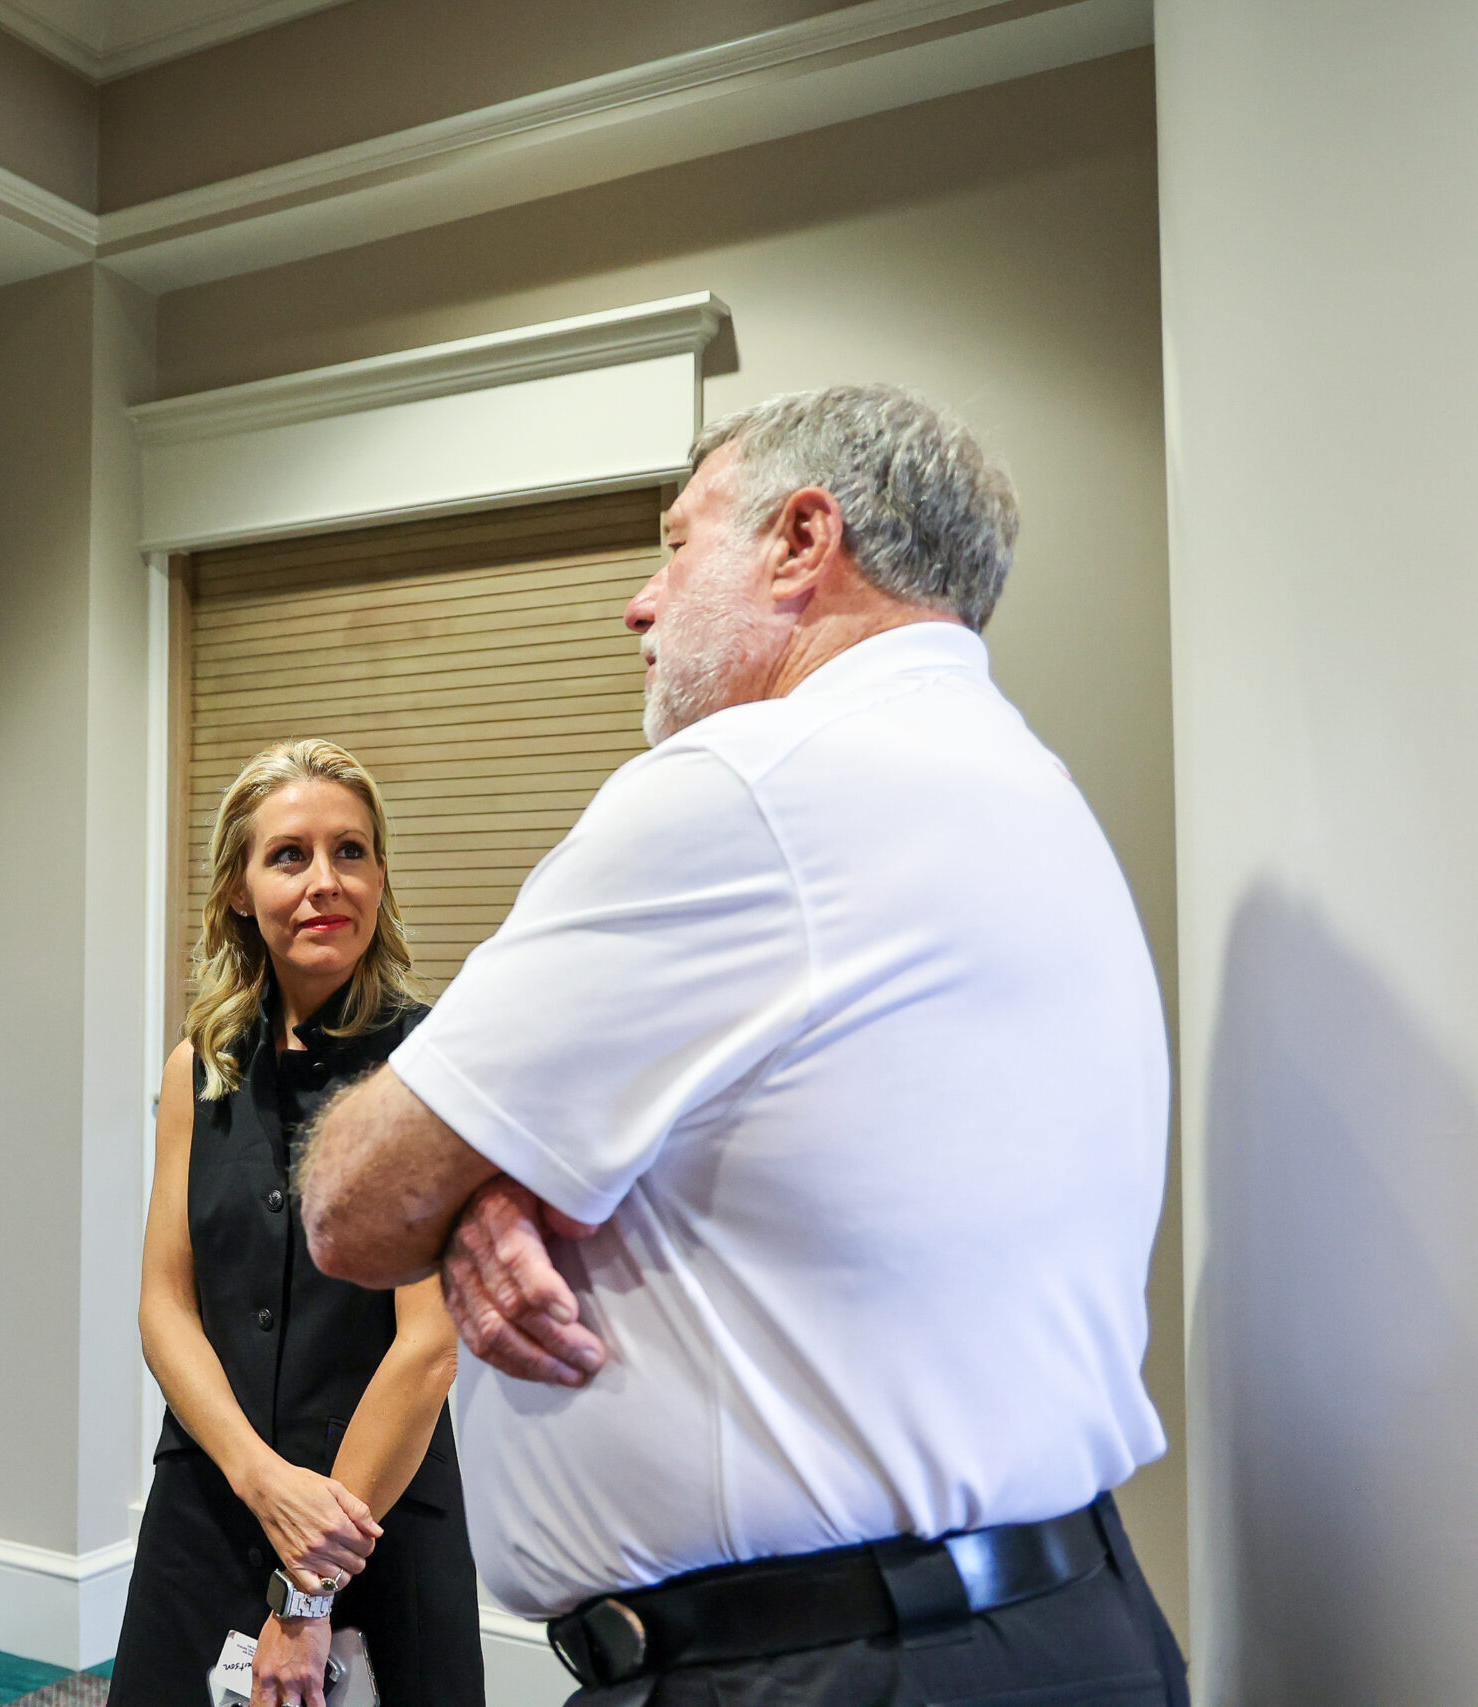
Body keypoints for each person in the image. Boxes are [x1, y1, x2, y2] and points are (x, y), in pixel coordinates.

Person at [299, 386, 1189, 1706]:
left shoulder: (749, 786)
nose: (640, 603)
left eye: (676, 542)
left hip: (822, 1665)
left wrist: (467, 1181)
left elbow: (355, 1205)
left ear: (800, 540)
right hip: (1062, 1633)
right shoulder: (1027, 789)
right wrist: (496, 1172)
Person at [111, 740, 485, 1707]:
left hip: (373, 1518)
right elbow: (165, 1303)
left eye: (351, 852)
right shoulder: (197, 1067)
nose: (326, 882)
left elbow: (428, 1348)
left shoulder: (430, 1063)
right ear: (239, 888)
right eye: (290, 856)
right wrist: (258, 1476)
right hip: (210, 1504)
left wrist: (307, 1594)